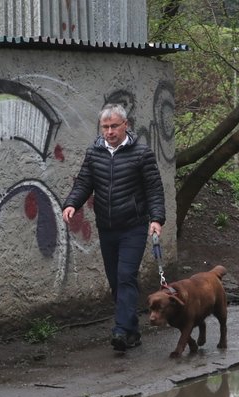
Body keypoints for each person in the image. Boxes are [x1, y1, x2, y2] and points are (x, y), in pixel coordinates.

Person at [62, 103, 165, 351]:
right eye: (105, 127)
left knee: (125, 276)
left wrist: (156, 219)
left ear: (125, 126)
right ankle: (132, 331)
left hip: (133, 227)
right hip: (107, 228)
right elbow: (84, 182)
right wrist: (72, 203)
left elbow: (154, 189)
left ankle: (120, 331)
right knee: (116, 282)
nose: (109, 132)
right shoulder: (94, 153)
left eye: (114, 126)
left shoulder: (141, 154)